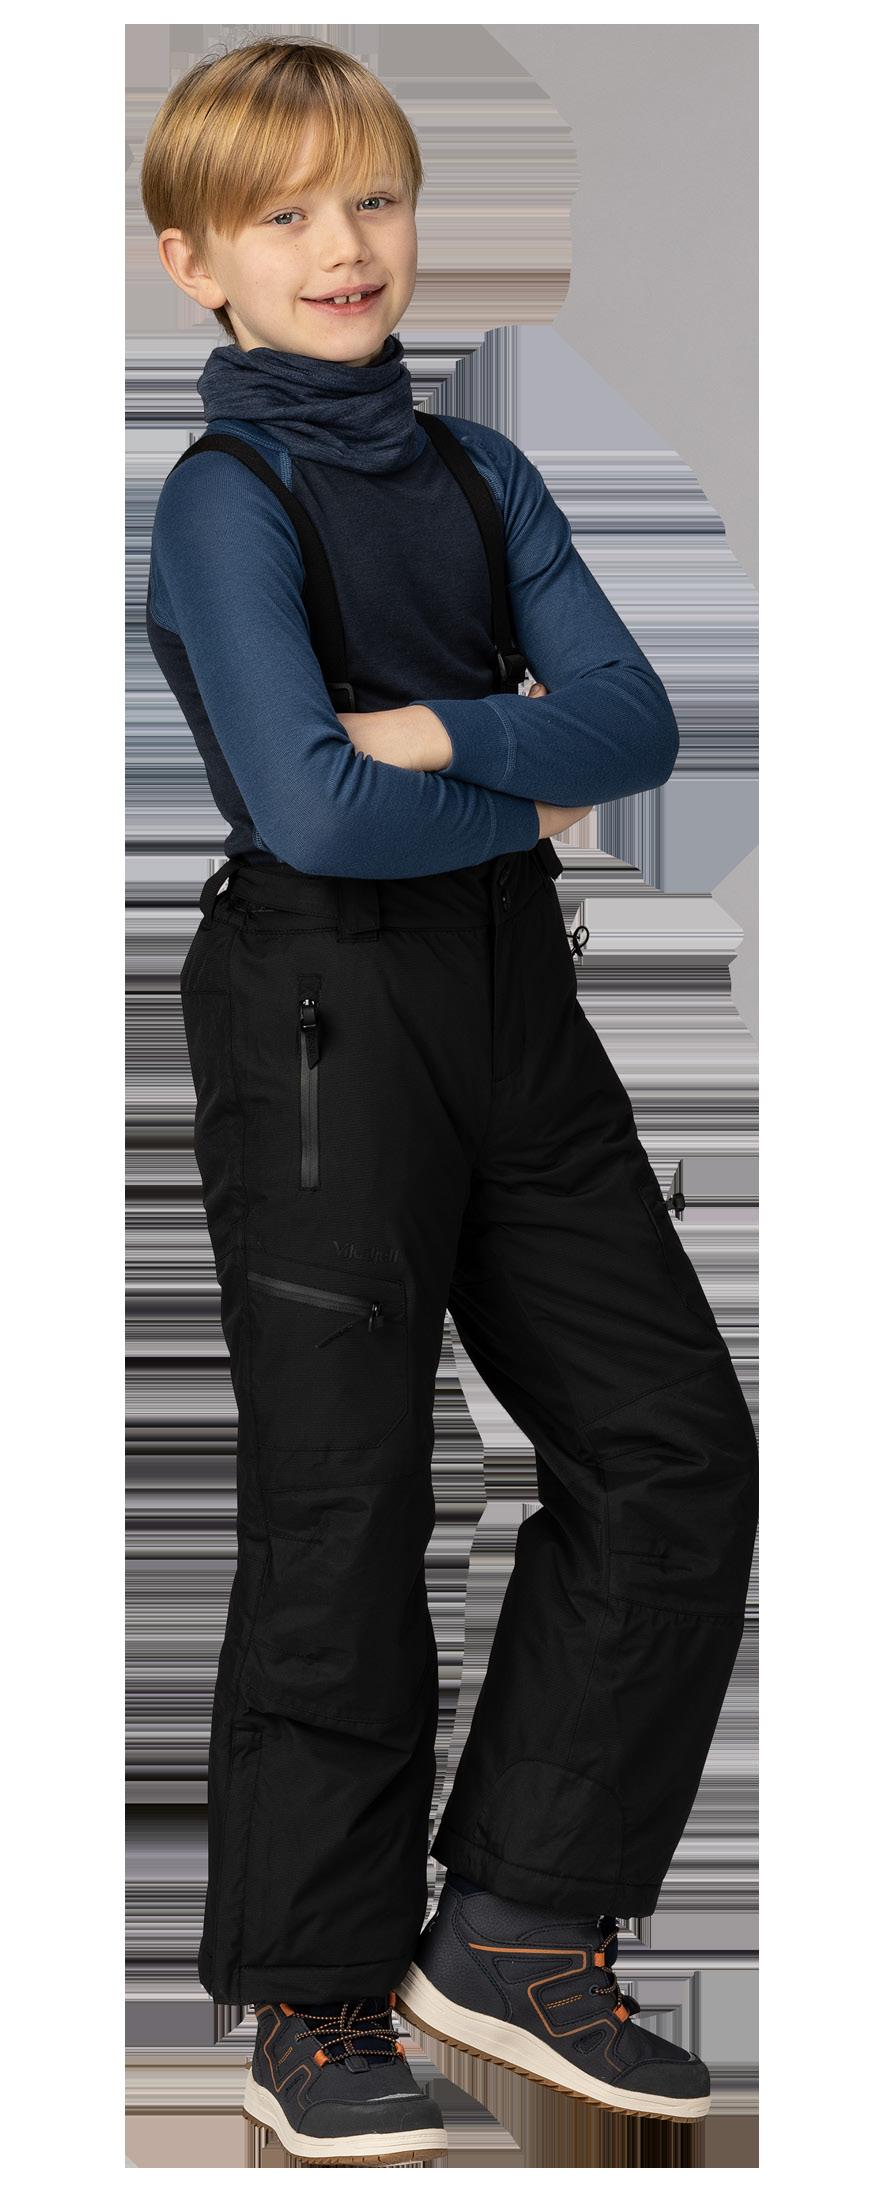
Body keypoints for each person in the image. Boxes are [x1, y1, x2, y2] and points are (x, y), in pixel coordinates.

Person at [141, 36, 758, 2165]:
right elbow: (312, 806)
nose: (344, 247)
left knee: (670, 1446)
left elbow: (642, 721)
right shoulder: (227, 499)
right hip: (322, 1016)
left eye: (374, 200)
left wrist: (437, 736)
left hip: (512, 1004)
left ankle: (512, 1928)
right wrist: (508, 750)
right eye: (286, 215)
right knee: (350, 1499)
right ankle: (311, 1995)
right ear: (197, 262)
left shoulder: (485, 473)